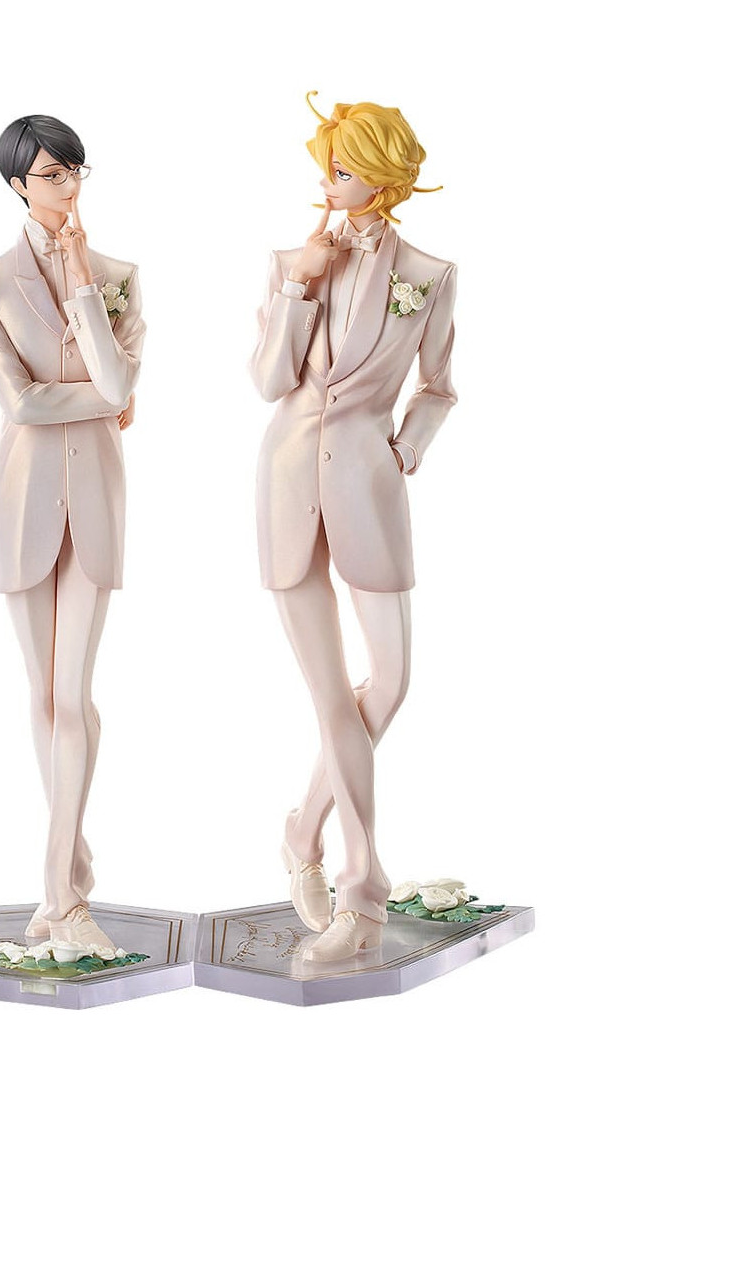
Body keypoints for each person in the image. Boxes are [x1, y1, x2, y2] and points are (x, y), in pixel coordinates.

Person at [250, 95, 457, 963]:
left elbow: (438, 387)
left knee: (392, 677)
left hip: (370, 487)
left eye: (345, 169)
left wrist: (403, 449)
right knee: (334, 696)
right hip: (288, 481)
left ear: (383, 175)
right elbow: (269, 381)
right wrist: (299, 282)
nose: (330, 182)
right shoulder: (292, 263)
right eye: (328, 168)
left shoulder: (430, 274)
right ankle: (361, 894)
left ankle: (302, 828)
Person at [0, 114, 145, 954]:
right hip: (23, 497)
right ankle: (71, 871)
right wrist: (104, 400)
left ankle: (60, 893)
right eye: (49, 174)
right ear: (18, 185)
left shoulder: (117, 277)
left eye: (74, 170)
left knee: (72, 693)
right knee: (40, 695)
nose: (66, 186)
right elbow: (22, 402)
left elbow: (118, 379)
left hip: (97, 498)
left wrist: (81, 289)